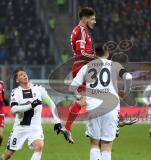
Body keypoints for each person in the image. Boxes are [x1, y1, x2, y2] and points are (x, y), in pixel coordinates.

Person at [69, 43, 132, 160]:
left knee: (94, 143)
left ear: (94, 53)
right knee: (107, 145)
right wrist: (126, 91)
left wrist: (79, 97)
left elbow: (72, 86)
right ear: (107, 52)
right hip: (111, 107)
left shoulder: (87, 67)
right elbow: (128, 77)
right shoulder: (115, 65)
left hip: (93, 108)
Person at [0, 68, 62, 160]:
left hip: (35, 127)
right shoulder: (16, 92)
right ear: (17, 80)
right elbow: (14, 109)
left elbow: (51, 103)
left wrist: (57, 121)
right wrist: (31, 105)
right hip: (20, 128)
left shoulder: (39, 90)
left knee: (39, 146)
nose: (24, 75)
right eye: (21, 74)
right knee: (7, 155)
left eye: (25, 74)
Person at [61, 6, 96, 144]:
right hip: (83, 67)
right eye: (92, 19)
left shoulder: (81, 31)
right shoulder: (81, 31)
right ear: (85, 19)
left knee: (84, 100)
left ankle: (68, 127)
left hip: (81, 67)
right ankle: (92, 128)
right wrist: (96, 57)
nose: (94, 21)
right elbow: (81, 53)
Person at [0, 81, 9, 146]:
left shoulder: (1, 84)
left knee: (0, 136)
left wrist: (6, 101)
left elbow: (4, 98)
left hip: (0, 113)